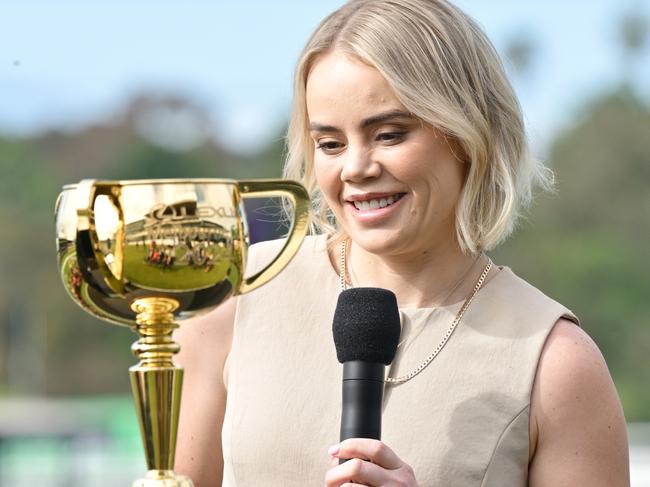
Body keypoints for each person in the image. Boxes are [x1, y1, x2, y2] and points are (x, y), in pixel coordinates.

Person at [174, 1, 630, 485]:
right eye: (330, 144)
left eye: (389, 134)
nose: (355, 168)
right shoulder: (234, 296)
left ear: (468, 133)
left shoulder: (557, 363)